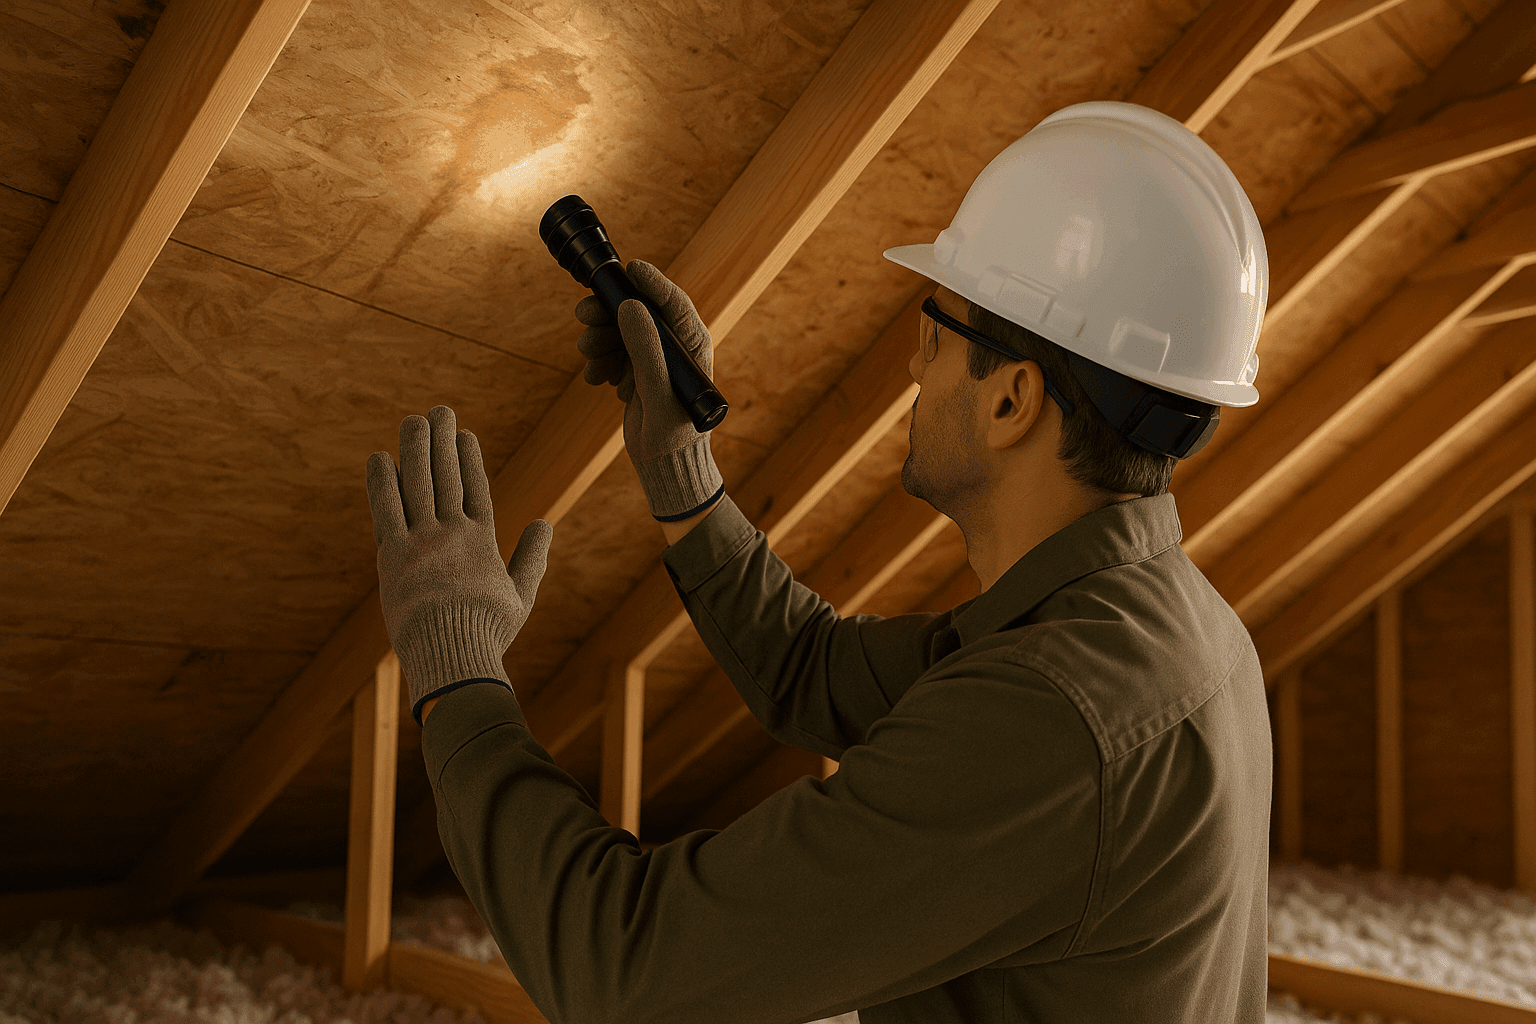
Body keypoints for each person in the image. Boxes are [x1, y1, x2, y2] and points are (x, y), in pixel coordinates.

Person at [365, 100, 1272, 1024]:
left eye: (937, 324)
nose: (915, 364)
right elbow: (813, 670)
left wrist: (456, 668)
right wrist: (680, 471)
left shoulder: (1056, 715)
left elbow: (628, 968)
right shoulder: (1159, 627)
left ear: (1013, 401)